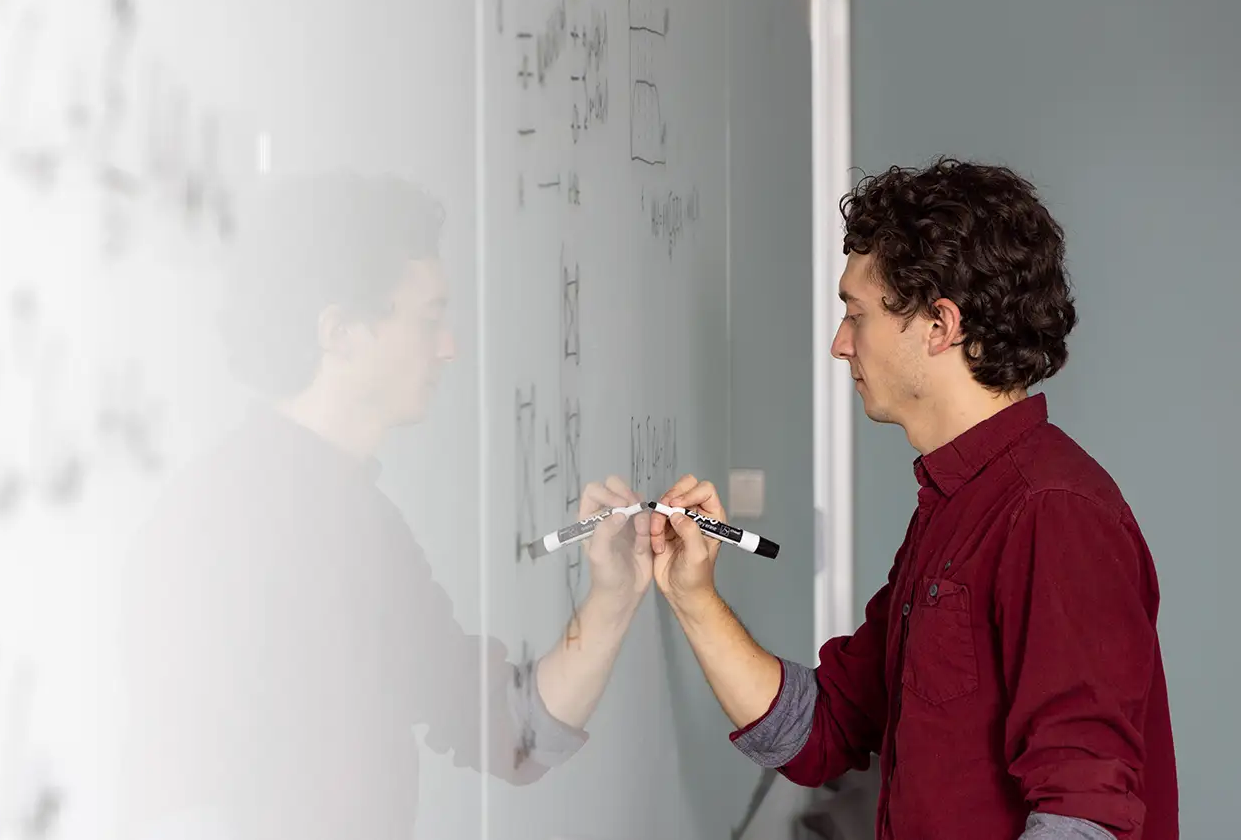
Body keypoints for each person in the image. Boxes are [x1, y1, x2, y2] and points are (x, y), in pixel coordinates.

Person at [649, 158, 1177, 840]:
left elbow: (1085, 815)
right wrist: (693, 595)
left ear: (939, 326)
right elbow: (822, 731)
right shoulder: (956, 506)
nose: (841, 345)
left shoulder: (1053, 512)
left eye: (856, 313)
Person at [113, 171, 652, 839]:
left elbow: (510, 731)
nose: (449, 347)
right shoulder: (215, 525)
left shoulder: (365, 527)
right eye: (430, 317)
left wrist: (614, 597)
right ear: (340, 333)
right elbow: (179, 796)